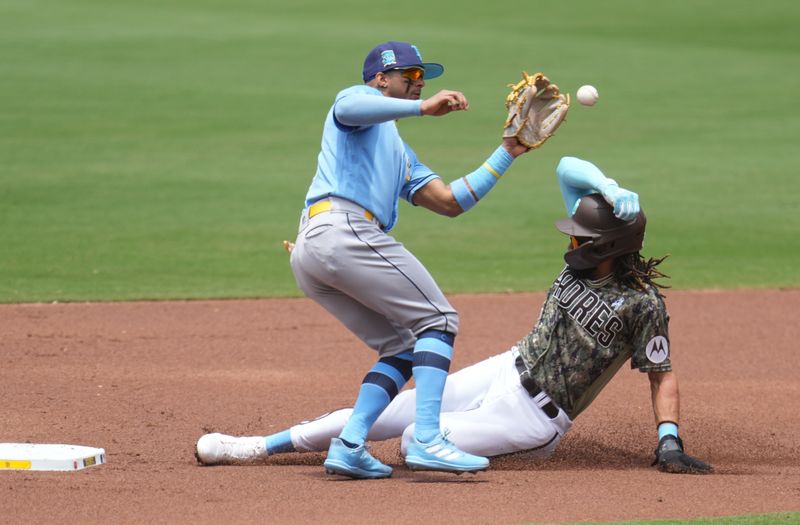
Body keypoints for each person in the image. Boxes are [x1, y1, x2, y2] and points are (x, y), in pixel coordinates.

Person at [195, 156, 713, 475]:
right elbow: (565, 167)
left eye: (581, 237)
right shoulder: (585, 260)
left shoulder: (643, 306)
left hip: (533, 419)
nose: (570, 239)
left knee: (414, 442)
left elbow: (661, 376)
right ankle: (253, 447)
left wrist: (669, 440)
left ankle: (379, 450)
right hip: (504, 369)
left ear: (610, 246)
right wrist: (606, 181)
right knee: (387, 416)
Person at [246, 41, 541, 479]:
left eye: (422, 79)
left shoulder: (400, 153)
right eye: (410, 77)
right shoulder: (354, 103)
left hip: (321, 246)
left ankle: (348, 444)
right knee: (438, 321)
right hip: (341, 233)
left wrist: (508, 151)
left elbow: (449, 202)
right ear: (381, 78)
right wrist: (424, 108)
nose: (418, 85)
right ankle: (427, 437)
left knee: (402, 348)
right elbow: (353, 107)